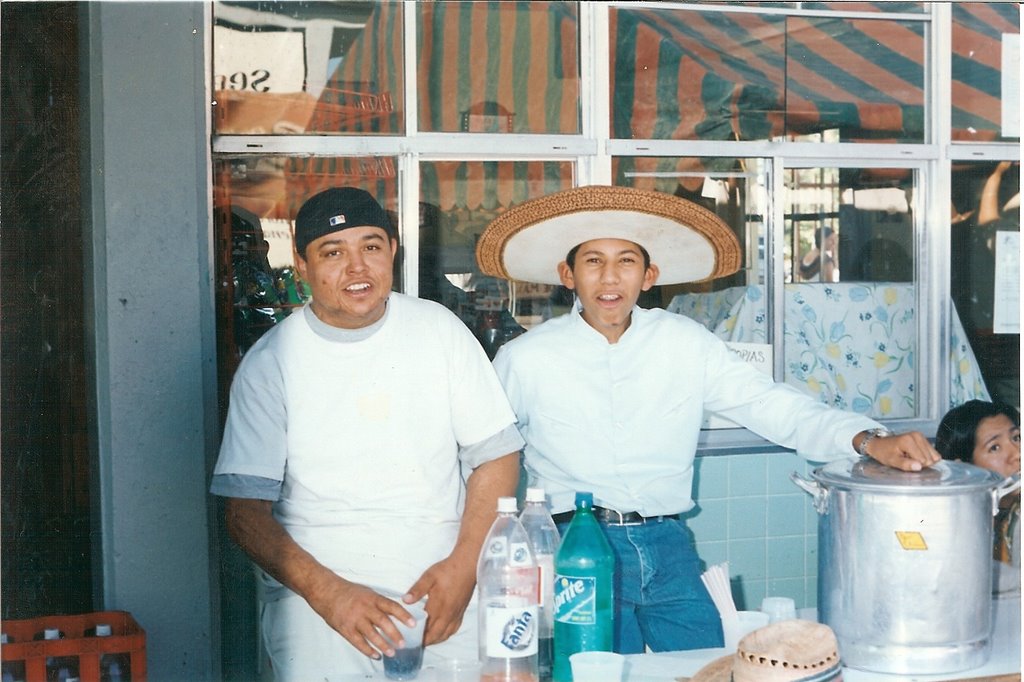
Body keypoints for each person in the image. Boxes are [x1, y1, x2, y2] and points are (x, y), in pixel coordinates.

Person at [475, 185, 941, 654]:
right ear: (568, 274)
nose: (609, 277)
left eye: (627, 261)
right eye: (593, 261)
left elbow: (768, 404)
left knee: (706, 665)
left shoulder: (685, 343)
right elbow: (485, 454)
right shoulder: (526, 358)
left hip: (668, 545)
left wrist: (864, 439)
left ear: (649, 274)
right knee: (597, 671)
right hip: (577, 549)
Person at [210, 187, 524, 680]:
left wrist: (464, 569)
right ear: (302, 264)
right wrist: (330, 595)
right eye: (333, 253)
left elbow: (497, 457)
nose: (357, 268)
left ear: (393, 251)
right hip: (323, 601)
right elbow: (244, 513)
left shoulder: (438, 330)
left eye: (371, 247)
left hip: (441, 585)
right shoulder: (271, 363)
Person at [936, 399, 1021, 596]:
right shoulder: (949, 517)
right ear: (964, 469)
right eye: (995, 447)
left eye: (1016, 438)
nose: (1017, 453)